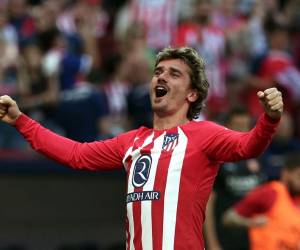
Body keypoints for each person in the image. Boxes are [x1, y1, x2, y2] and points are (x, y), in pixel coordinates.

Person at [0, 47, 283, 250]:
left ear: (192, 94)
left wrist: (269, 119)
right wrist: (20, 121)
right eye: (158, 71)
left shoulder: (204, 134)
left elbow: (249, 146)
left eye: (174, 74)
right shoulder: (132, 141)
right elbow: (75, 155)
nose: (161, 77)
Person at [204, 107, 266, 250]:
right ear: (228, 127)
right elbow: (208, 203)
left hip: (254, 238)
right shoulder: (218, 159)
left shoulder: (258, 158)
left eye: (245, 126)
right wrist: (212, 243)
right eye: (237, 126)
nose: (242, 131)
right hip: (226, 237)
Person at [222, 152, 300, 250]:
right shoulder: (270, 193)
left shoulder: (297, 198)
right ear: (286, 173)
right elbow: (228, 218)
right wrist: (251, 223)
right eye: (298, 176)